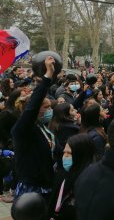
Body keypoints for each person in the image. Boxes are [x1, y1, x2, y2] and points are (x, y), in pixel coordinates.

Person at [11, 56, 56, 198]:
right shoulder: (22, 129)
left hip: (47, 184)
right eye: (46, 107)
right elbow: (34, 103)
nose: (50, 110)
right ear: (37, 109)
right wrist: (48, 75)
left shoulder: (41, 127)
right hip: (31, 191)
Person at [48, 133, 95, 220]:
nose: (65, 156)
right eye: (64, 152)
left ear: (81, 155)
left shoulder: (88, 181)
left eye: (69, 153)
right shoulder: (62, 174)